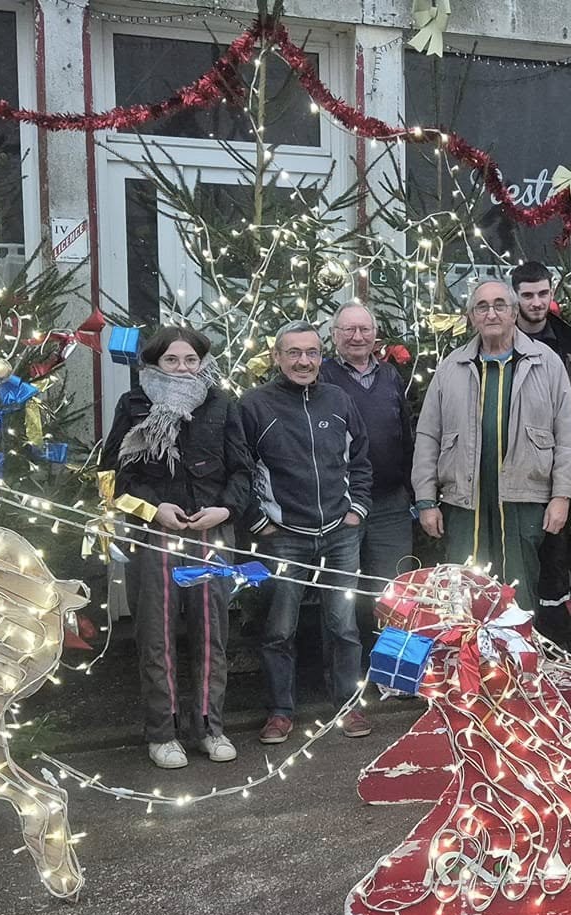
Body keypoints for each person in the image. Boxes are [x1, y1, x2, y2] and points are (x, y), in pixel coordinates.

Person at [101, 327, 250, 769]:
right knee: (156, 635)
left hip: (211, 533)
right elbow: (114, 475)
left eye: (191, 360)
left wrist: (225, 510)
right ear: (154, 363)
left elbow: (243, 470)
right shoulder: (134, 406)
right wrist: (152, 509)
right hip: (157, 533)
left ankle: (209, 727)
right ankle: (162, 734)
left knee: (212, 634)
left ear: (202, 362)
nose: (183, 367)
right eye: (172, 360)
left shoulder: (222, 404)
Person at [229, 322, 375, 746]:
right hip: (284, 535)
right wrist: (259, 522)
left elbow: (360, 461)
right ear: (277, 357)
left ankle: (347, 704)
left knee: (344, 625)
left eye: (311, 353)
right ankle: (279, 712)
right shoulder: (254, 406)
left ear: (321, 356)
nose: (303, 361)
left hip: (339, 532)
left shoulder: (339, 400)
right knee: (279, 628)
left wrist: (358, 510)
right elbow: (240, 468)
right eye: (293, 353)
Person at [412, 281, 571, 603]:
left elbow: (568, 438)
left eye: (500, 305)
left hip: (525, 501)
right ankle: (467, 655)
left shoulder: (545, 363)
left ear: (514, 312)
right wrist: (425, 500)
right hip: (463, 503)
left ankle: (519, 655)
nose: (491, 313)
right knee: (464, 595)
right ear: (471, 317)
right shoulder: (451, 367)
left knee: (519, 595)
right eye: (482, 306)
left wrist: (562, 495)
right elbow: (427, 437)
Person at [508, 261, 571, 630]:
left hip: (558, 472)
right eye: (527, 295)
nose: (536, 302)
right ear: (515, 297)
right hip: (509, 468)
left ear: (552, 294)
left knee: (555, 561)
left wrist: (568, 446)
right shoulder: (499, 341)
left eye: (542, 293)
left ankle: (553, 645)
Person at [321, 303, 415, 634]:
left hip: (391, 504)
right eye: (348, 330)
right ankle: (348, 677)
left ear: (375, 335)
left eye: (364, 329)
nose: (357, 337)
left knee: (394, 593)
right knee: (343, 598)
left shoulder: (390, 375)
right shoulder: (321, 377)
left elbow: (406, 434)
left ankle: (391, 674)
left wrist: (411, 491)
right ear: (334, 336)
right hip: (341, 506)